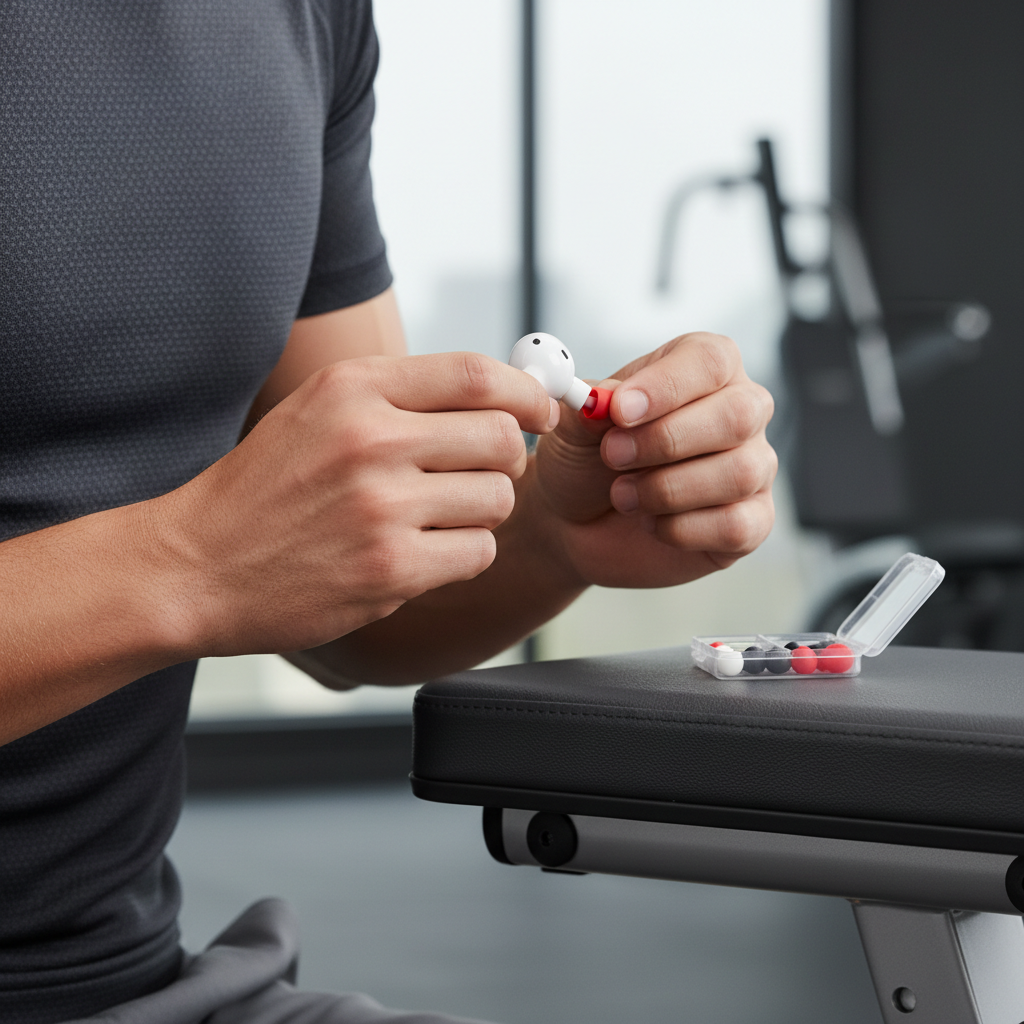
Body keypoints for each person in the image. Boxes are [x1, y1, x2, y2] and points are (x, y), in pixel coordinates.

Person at [0, 1, 777, 1021]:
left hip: (119, 981)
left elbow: (352, 600)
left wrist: (555, 531)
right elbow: (225, 561)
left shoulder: (301, 18)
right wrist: (188, 565)